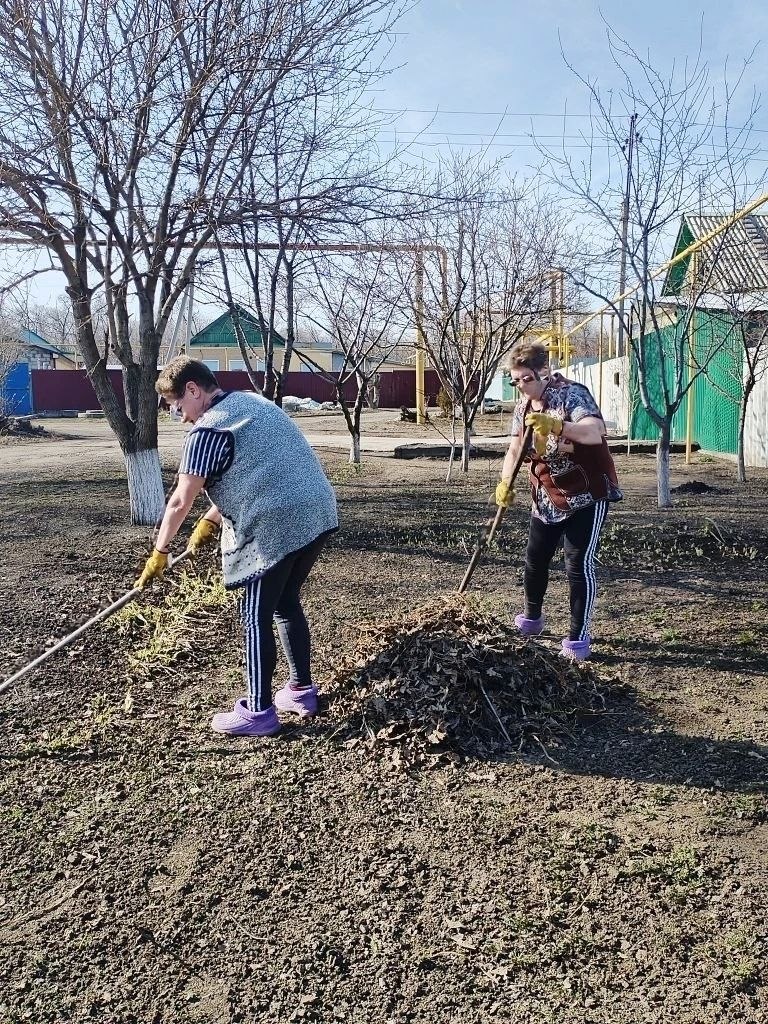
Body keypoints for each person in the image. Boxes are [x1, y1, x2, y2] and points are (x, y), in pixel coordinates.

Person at [136, 357, 338, 737]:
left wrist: (160, 552)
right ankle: (301, 692)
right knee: (285, 602)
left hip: (276, 524)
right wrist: (212, 520)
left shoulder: (208, 430)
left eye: (177, 407)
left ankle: (259, 712)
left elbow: (180, 501)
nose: (180, 418)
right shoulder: (254, 404)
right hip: (317, 511)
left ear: (194, 390)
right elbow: (254, 467)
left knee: (254, 614)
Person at [495, 341, 622, 660]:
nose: (521, 386)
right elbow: (514, 449)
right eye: (515, 380)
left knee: (577, 565)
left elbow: (595, 432)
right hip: (547, 494)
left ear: (544, 372)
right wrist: (505, 482)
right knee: (535, 560)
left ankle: (578, 639)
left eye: (526, 378)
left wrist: (557, 426)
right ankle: (532, 619)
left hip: (586, 495)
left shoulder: (572, 394)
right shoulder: (523, 406)